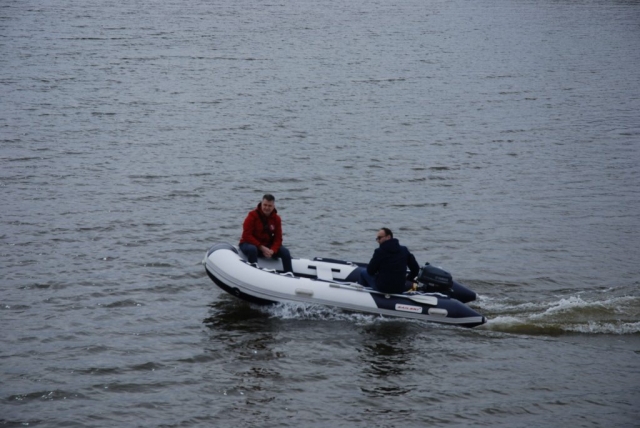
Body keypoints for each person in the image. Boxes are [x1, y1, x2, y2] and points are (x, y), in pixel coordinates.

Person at [239, 194, 293, 273]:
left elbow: (278, 239)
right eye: (265, 205)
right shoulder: (252, 215)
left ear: (273, 206)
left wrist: (272, 250)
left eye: (269, 206)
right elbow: (246, 235)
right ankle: (253, 272)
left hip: (267, 246)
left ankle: (289, 274)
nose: (267, 208)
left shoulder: (277, 219)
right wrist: (261, 247)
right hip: (250, 244)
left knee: (285, 252)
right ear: (261, 204)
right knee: (252, 249)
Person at [359, 227, 420, 294]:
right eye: (377, 239)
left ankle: (362, 295)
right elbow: (415, 269)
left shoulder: (380, 252)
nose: (378, 241)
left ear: (388, 237)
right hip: (400, 288)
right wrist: (408, 279)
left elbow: (370, 271)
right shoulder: (404, 250)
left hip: (383, 288)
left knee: (363, 272)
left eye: (379, 238)